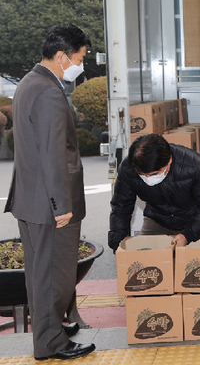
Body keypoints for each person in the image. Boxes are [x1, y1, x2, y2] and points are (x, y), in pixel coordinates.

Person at [4, 24, 96, 360]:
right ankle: (51, 343)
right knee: (54, 278)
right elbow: (53, 154)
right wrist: (61, 206)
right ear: (61, 56)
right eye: (80, 58)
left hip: (31, 201)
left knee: (40, 275)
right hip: (50, 204)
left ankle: (51, 335)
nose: (81, 65)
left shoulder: (29, 83)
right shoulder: (48, 92)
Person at [108, 133, 200, 252]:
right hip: (157, 220)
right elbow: (121, 207)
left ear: (169, 160)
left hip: (195, 222)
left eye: (154, 174)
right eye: (142, 175)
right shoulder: (128, 168)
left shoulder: (193, 164)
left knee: (195, 265)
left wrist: (188, 235)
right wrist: (118, 244)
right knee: (145, 263)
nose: (147, 178)